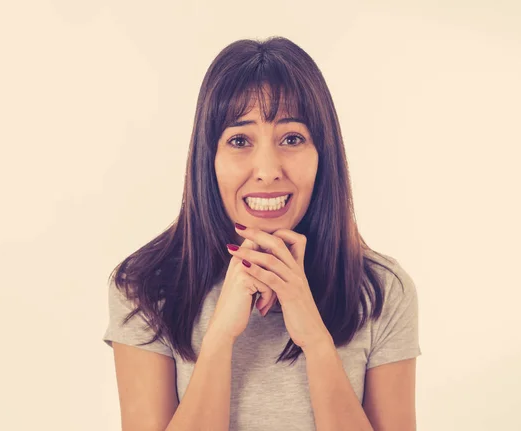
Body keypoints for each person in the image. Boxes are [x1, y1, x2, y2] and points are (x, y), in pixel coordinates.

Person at [102, 36, 422, 431]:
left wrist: (316, 340)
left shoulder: (381, 289)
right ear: (209, 158)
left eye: (292, 138)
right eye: (239, 140)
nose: (268, 169)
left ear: (324, 154)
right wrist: (221, 336)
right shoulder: (144, 286)